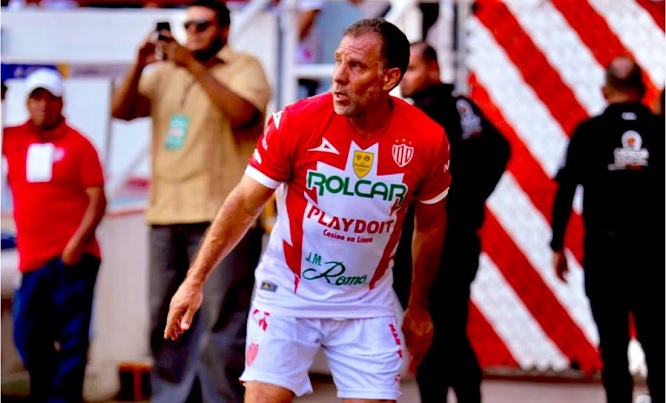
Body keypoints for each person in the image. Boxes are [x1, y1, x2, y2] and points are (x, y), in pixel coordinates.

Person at [164, 17, 451, 402]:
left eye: (357, 66)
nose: (339, 76)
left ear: (389, 78)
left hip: (365, 302)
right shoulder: (296, 121)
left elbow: (430, 227)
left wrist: (418, 306)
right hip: (287, 293)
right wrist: (194, 280)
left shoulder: (427, 139)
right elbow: (244, 203)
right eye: (338, 60)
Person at [110, 0, 272, 401]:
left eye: (202, 25)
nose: (192, 33)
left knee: (222, 320)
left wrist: (193, 67)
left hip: (223, 218)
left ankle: (218, 399)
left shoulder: (246, 66)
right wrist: (139, 64)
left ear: (224, 30)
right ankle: (170, 398)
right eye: (188, 26)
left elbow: (243, 114)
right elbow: (122, 111)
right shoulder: (165, 72)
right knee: (164, 316)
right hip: (165, 213)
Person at [398, 41, 510, 403]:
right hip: (460, 237)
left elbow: (497, 151)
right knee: (451, 329)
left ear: (433, 69)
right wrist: (471, 200)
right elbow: (499, 149)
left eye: (412, 69)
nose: (404, 78)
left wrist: (459, 200)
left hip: (431, 242)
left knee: (430, 330)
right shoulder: (463, 106)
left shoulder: (421, 115)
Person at [550, 55, 664, 403]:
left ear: (604, 90)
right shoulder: (660, 130)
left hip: (605, 255)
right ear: (642, 89)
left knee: (613, 345)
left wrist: (557, 244)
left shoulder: (588, 132)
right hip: (654, 254)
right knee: (657, 341)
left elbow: (566, 190)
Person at [2, 68, 107, 402]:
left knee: (72, 338)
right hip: (32, 259)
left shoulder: (78, 144)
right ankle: (46, 394)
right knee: (27, 333)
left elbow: (97, 199)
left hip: (72, 258)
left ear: (61, 102)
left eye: (50, 98)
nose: (43, 105)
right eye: (36, 98)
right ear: (27, 102)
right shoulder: (14, 138)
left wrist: (76, 244)